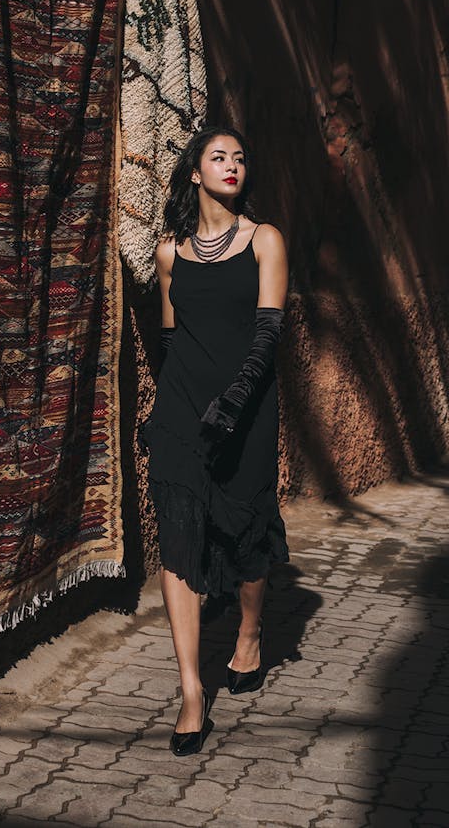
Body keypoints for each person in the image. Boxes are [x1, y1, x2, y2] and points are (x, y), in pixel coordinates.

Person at [142, 125, 289, 755]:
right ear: (195, 174)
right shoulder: (169, 252)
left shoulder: (265, 242)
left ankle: (250, 634)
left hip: (248, 409)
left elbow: (266, 337)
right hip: (181, 410)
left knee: (245, 524)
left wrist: (232, 402)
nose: (232, 164)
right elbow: (171, 338)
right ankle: (191, 693)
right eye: (218, 156)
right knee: (179, 534)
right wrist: (178, 403)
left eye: (240, 156)